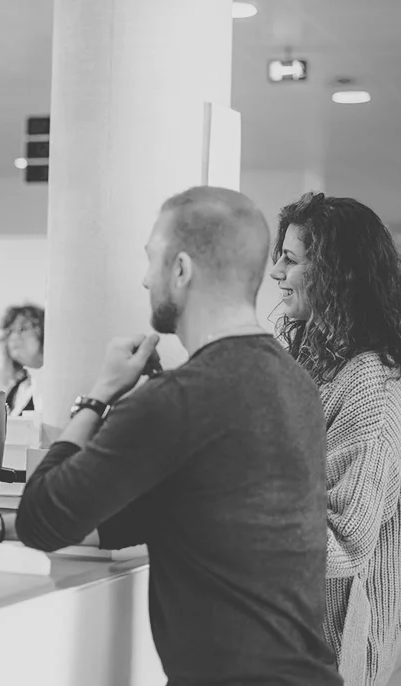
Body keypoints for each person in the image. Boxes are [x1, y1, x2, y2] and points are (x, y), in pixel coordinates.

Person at [0, 187, 342, 684]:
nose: (146, 278)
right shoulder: (295, 383)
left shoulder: (178, 398)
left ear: (182, 270)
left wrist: (98, 396)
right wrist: (0, 527)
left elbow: (44, 518)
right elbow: (144, 516)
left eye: (152, 259)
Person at [270, 192, 401, 686]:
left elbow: (344, 541)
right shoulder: (318, 361)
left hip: (333, 651)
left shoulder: (369, 381)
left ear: (335, 272)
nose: (276, 272)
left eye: (291, 259)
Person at [0, 304, 45, 416]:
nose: (14, 337)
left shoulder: (54, 385)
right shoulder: (16, 388)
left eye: (22, 329)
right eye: (10, 331)